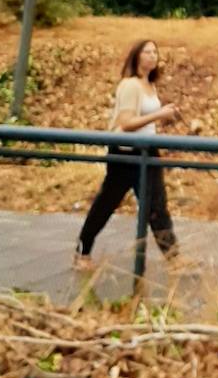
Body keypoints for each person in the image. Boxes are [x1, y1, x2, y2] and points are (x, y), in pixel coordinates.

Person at [74, 38, 181, 270]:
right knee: (107, 202)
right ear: (136, 56)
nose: (152, 56)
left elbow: (146, 121)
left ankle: (174, 258)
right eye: (147, 52)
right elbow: (126, 122)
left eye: (155, 52)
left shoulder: (149, 85)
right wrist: (159, 115)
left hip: (147, 148)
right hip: (126, 151)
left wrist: (166, 115)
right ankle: (83, 252)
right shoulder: (130, 85)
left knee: (156, 204)